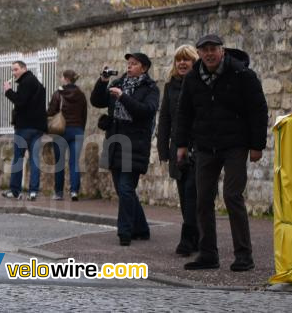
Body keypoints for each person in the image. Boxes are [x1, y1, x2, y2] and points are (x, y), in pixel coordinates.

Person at [176, 34, 269, 272]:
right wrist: (181, 144)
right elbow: (184, 112)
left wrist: (257, 146)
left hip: (235, 144)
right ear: (199, 53)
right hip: (206, 145)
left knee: (232, 196)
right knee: (203, 199)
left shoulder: (242, 75)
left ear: (222, 51)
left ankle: (244, 255)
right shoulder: (193, 78)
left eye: (213, 49)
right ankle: (208, 254)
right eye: (204, 50)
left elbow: (258, 110)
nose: (209, 54)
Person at [91, 52, 159, 246]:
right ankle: (142, 228)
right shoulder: (118, 83)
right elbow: (97, 101)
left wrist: (123, 98)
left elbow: (145, 111)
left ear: (144, 68)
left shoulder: (150, 88)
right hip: (115, 141)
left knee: (126, 187)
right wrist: (103, 80)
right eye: (128, 64)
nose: (129, 67)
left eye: (134, 64)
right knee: (123, 190)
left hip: (135, 144)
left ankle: (125, 233)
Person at [156, 44, 200, 256]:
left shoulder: (201, 83)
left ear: (194, 62)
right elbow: (165, 118)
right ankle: (197, 236)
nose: (182, 63)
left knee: (193, 191)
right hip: (177, 148)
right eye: (179, 60)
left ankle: (187, 239)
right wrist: (163, 149)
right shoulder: (170, 86)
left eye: (187, 59)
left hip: (198, 146)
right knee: (184, 193)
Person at [1, 60, 46, 201]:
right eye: (12, 70)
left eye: (16, 69)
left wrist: (8, 91)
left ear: (24, 68)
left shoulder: (26, 83)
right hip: (38, 128)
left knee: (18, 159)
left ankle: (15, 190)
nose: (14, 73)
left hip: (25, 127)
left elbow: (20, 101)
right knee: (34, 159)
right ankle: (33, 191)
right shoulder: (38, 84)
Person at [48, 69, 88, 201]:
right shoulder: (81, 95)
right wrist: (80, 128)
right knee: (74, 162)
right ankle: (74, 191)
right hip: (77, 130)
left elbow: (51, 111)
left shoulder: (58, 94)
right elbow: (84, 114)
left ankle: (59, 193)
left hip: (60, 131)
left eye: (62, 77)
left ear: (65, 78)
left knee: (60, 162)